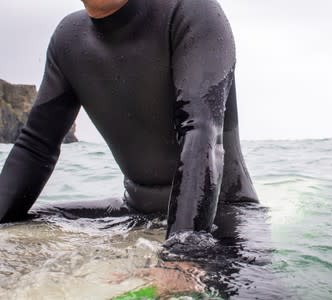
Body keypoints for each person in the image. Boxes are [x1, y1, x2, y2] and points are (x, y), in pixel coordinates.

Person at [0, 0, 258, 245]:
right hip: (135, 212)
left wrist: (183, 252)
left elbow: (202, 132)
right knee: (24, 224)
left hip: (221, 214)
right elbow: (35, 147)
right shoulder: (68, 38)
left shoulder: (189, 11)